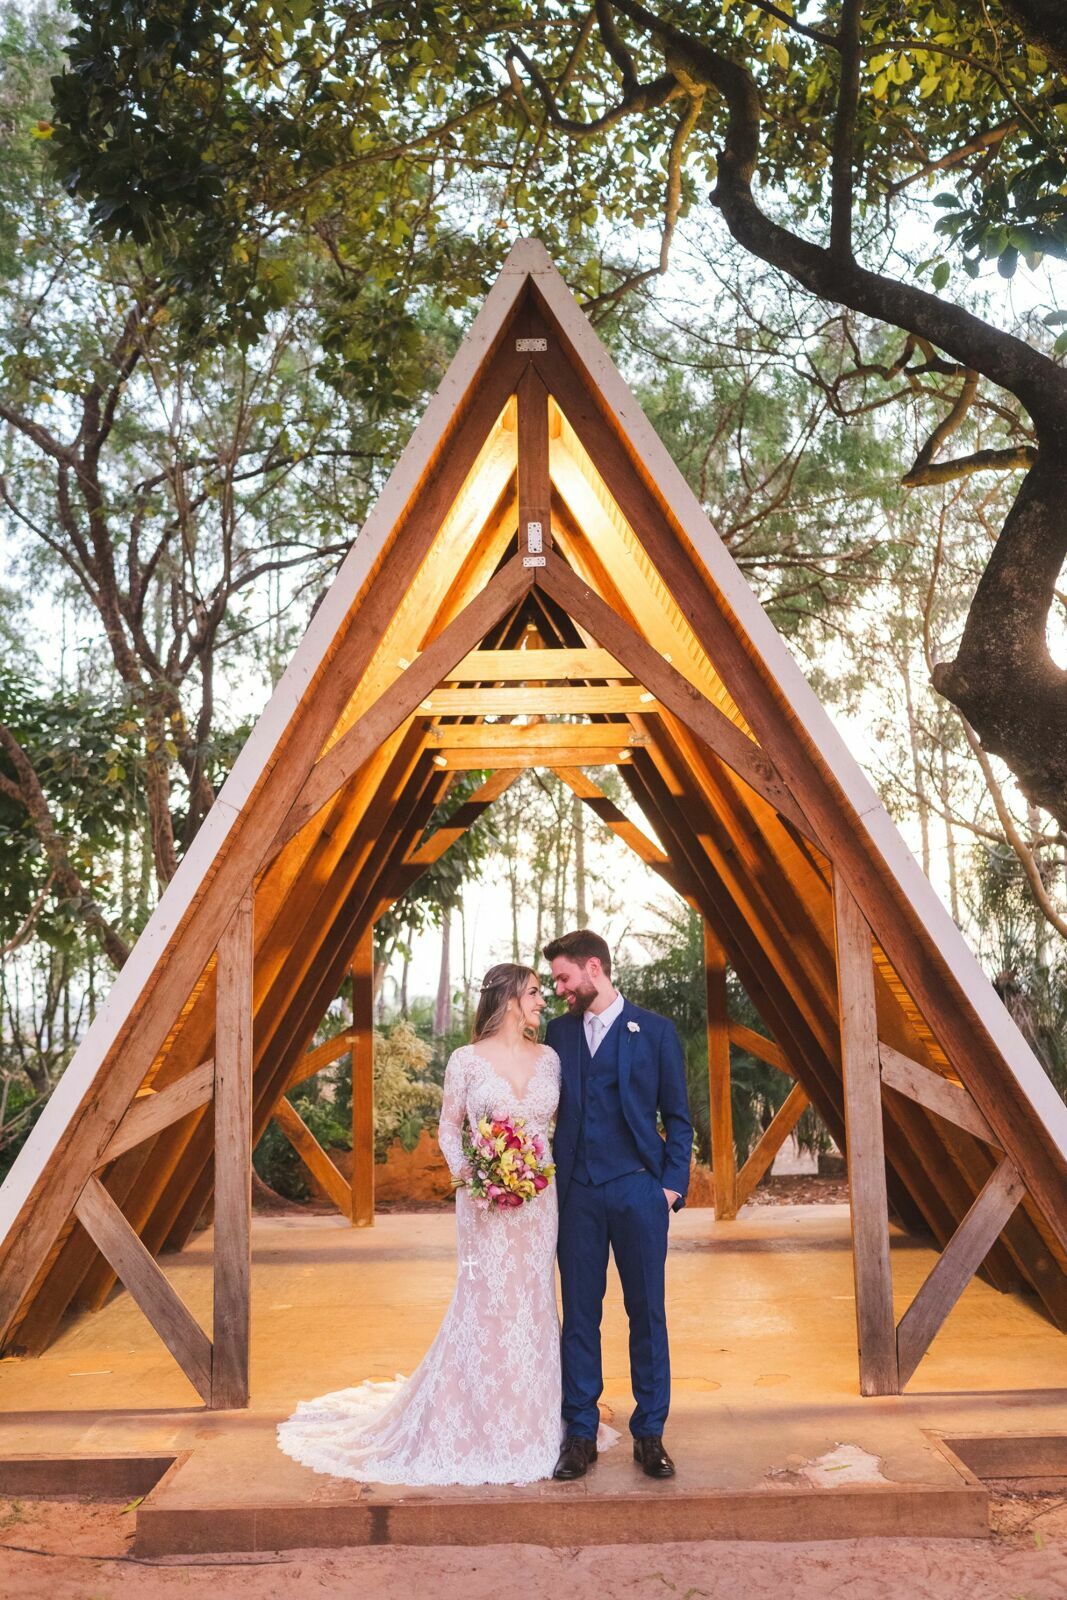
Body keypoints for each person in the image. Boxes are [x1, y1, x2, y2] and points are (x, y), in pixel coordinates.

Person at [277, 963, 597, 1487]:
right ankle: (474, 1420)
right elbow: (450, 1129)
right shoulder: (465, 1061)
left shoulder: (552, 1060)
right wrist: (478, 1176)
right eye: (536, 993)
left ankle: (535, 1421)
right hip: (485, 1204)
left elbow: (558, 1132)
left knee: (534, 1299)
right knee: (486, 1300)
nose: (544, 1001)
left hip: (540, 1204)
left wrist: (531, 1174)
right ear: (511, 1000)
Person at [543, 929, 693, 1482]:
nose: (559, 989)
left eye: (564, 978)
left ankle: (649, 1433)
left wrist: (670, 1188)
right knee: (580, 1315)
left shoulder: (654, 1032)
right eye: (555, 981)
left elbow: (678, 1118)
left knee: (647, 1313)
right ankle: (579, 1433)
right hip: (577, 1193)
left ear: (593, 968)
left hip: (638, 1191)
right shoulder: (557, 1035)